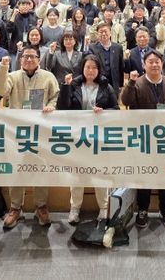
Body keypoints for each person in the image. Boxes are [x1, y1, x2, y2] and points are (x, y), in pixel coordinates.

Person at [0, 46, 60, 229]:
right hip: (17, 132)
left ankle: (41, 206)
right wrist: (3, 68)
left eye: (32, 56)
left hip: (41, 131)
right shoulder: (12, 76)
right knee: (17, 168)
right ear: (20, 59)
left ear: (39, 59)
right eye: (25, 56)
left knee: (41, 168)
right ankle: (15, 207)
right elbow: (0, 90)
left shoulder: (48, 77)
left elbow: (55, 96)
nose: (29, 59)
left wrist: (51, 106)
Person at [121, 49, 165, 229]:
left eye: (157, 61)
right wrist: (130, 83)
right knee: (144, 173)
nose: (154, 64)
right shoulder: (137, 83)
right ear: (144, 65)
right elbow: (126, 101)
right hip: (144, 138)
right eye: (150, 62)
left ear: (162, 64)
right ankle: (143, 209)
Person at [57, 55, 118, 224]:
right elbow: (62, 107)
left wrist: (104, 112)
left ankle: (104, 208)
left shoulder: (106, 86)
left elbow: (116, 108)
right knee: (77, 174)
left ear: (99, 70)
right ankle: (75, 208)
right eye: (87, 67)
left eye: (94, 67)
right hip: (78, 137)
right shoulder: (74, 84)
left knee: (100, 173)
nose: (90, 71)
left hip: (99, 138)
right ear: (82, 69)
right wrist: (65, 87)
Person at [88, 23, 125, 95]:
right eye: (101, 32)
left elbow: (121, 67)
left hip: (114, 83)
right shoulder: (92, 48)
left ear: (110, 33)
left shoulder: (118, 47)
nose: (103, 34)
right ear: (97, 34)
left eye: (105, 31)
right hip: (98, 83)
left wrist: (120, 84)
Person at [5, 0, 38, 68]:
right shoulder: (15, 16)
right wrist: (13, 15)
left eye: (27, 4)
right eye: (23, 4)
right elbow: (9, 29)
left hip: (29, 49)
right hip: (15, 49)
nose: (25, 6)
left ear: (30, 6)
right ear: (18, 6)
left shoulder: (33, 17)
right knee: (15, 69)